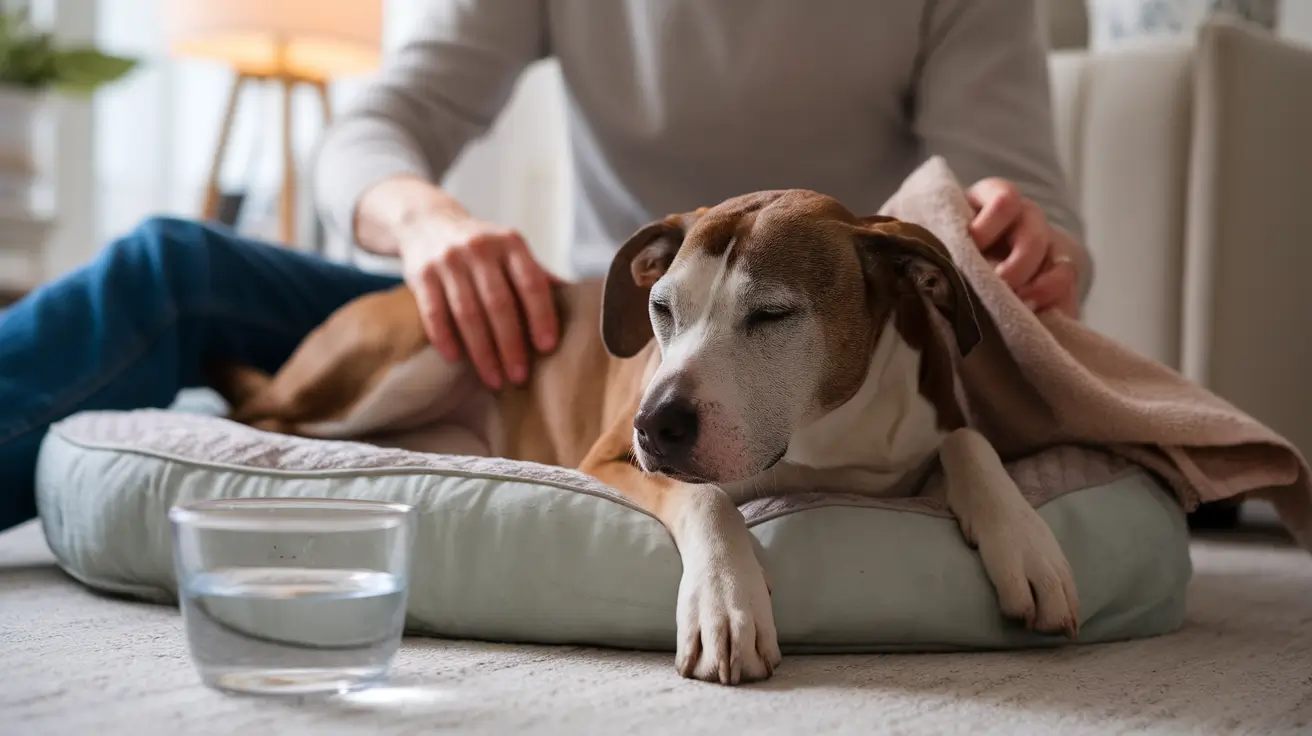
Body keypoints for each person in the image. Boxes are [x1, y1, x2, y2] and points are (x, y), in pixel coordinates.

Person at [0, 0, 1090, 533]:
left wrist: (1035, 245)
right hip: (575, 326)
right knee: (165, 260)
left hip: (810, 347)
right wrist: (426, 222)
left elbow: (1022, 214)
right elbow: (372, 129)